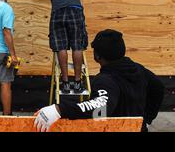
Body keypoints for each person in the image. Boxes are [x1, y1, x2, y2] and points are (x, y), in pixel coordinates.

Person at [34, 29, 165, 132]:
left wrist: (59, 109)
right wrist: (146, 118)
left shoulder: (106, 80)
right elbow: (159, 87)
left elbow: (100, 108)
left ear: (97, 56)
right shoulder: (139, 69)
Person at [15, 0, 87, 94]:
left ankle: (65, 83)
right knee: (77, 46)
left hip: (58, 11)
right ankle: (78, 83)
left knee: (61, 47)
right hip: (75, 9)